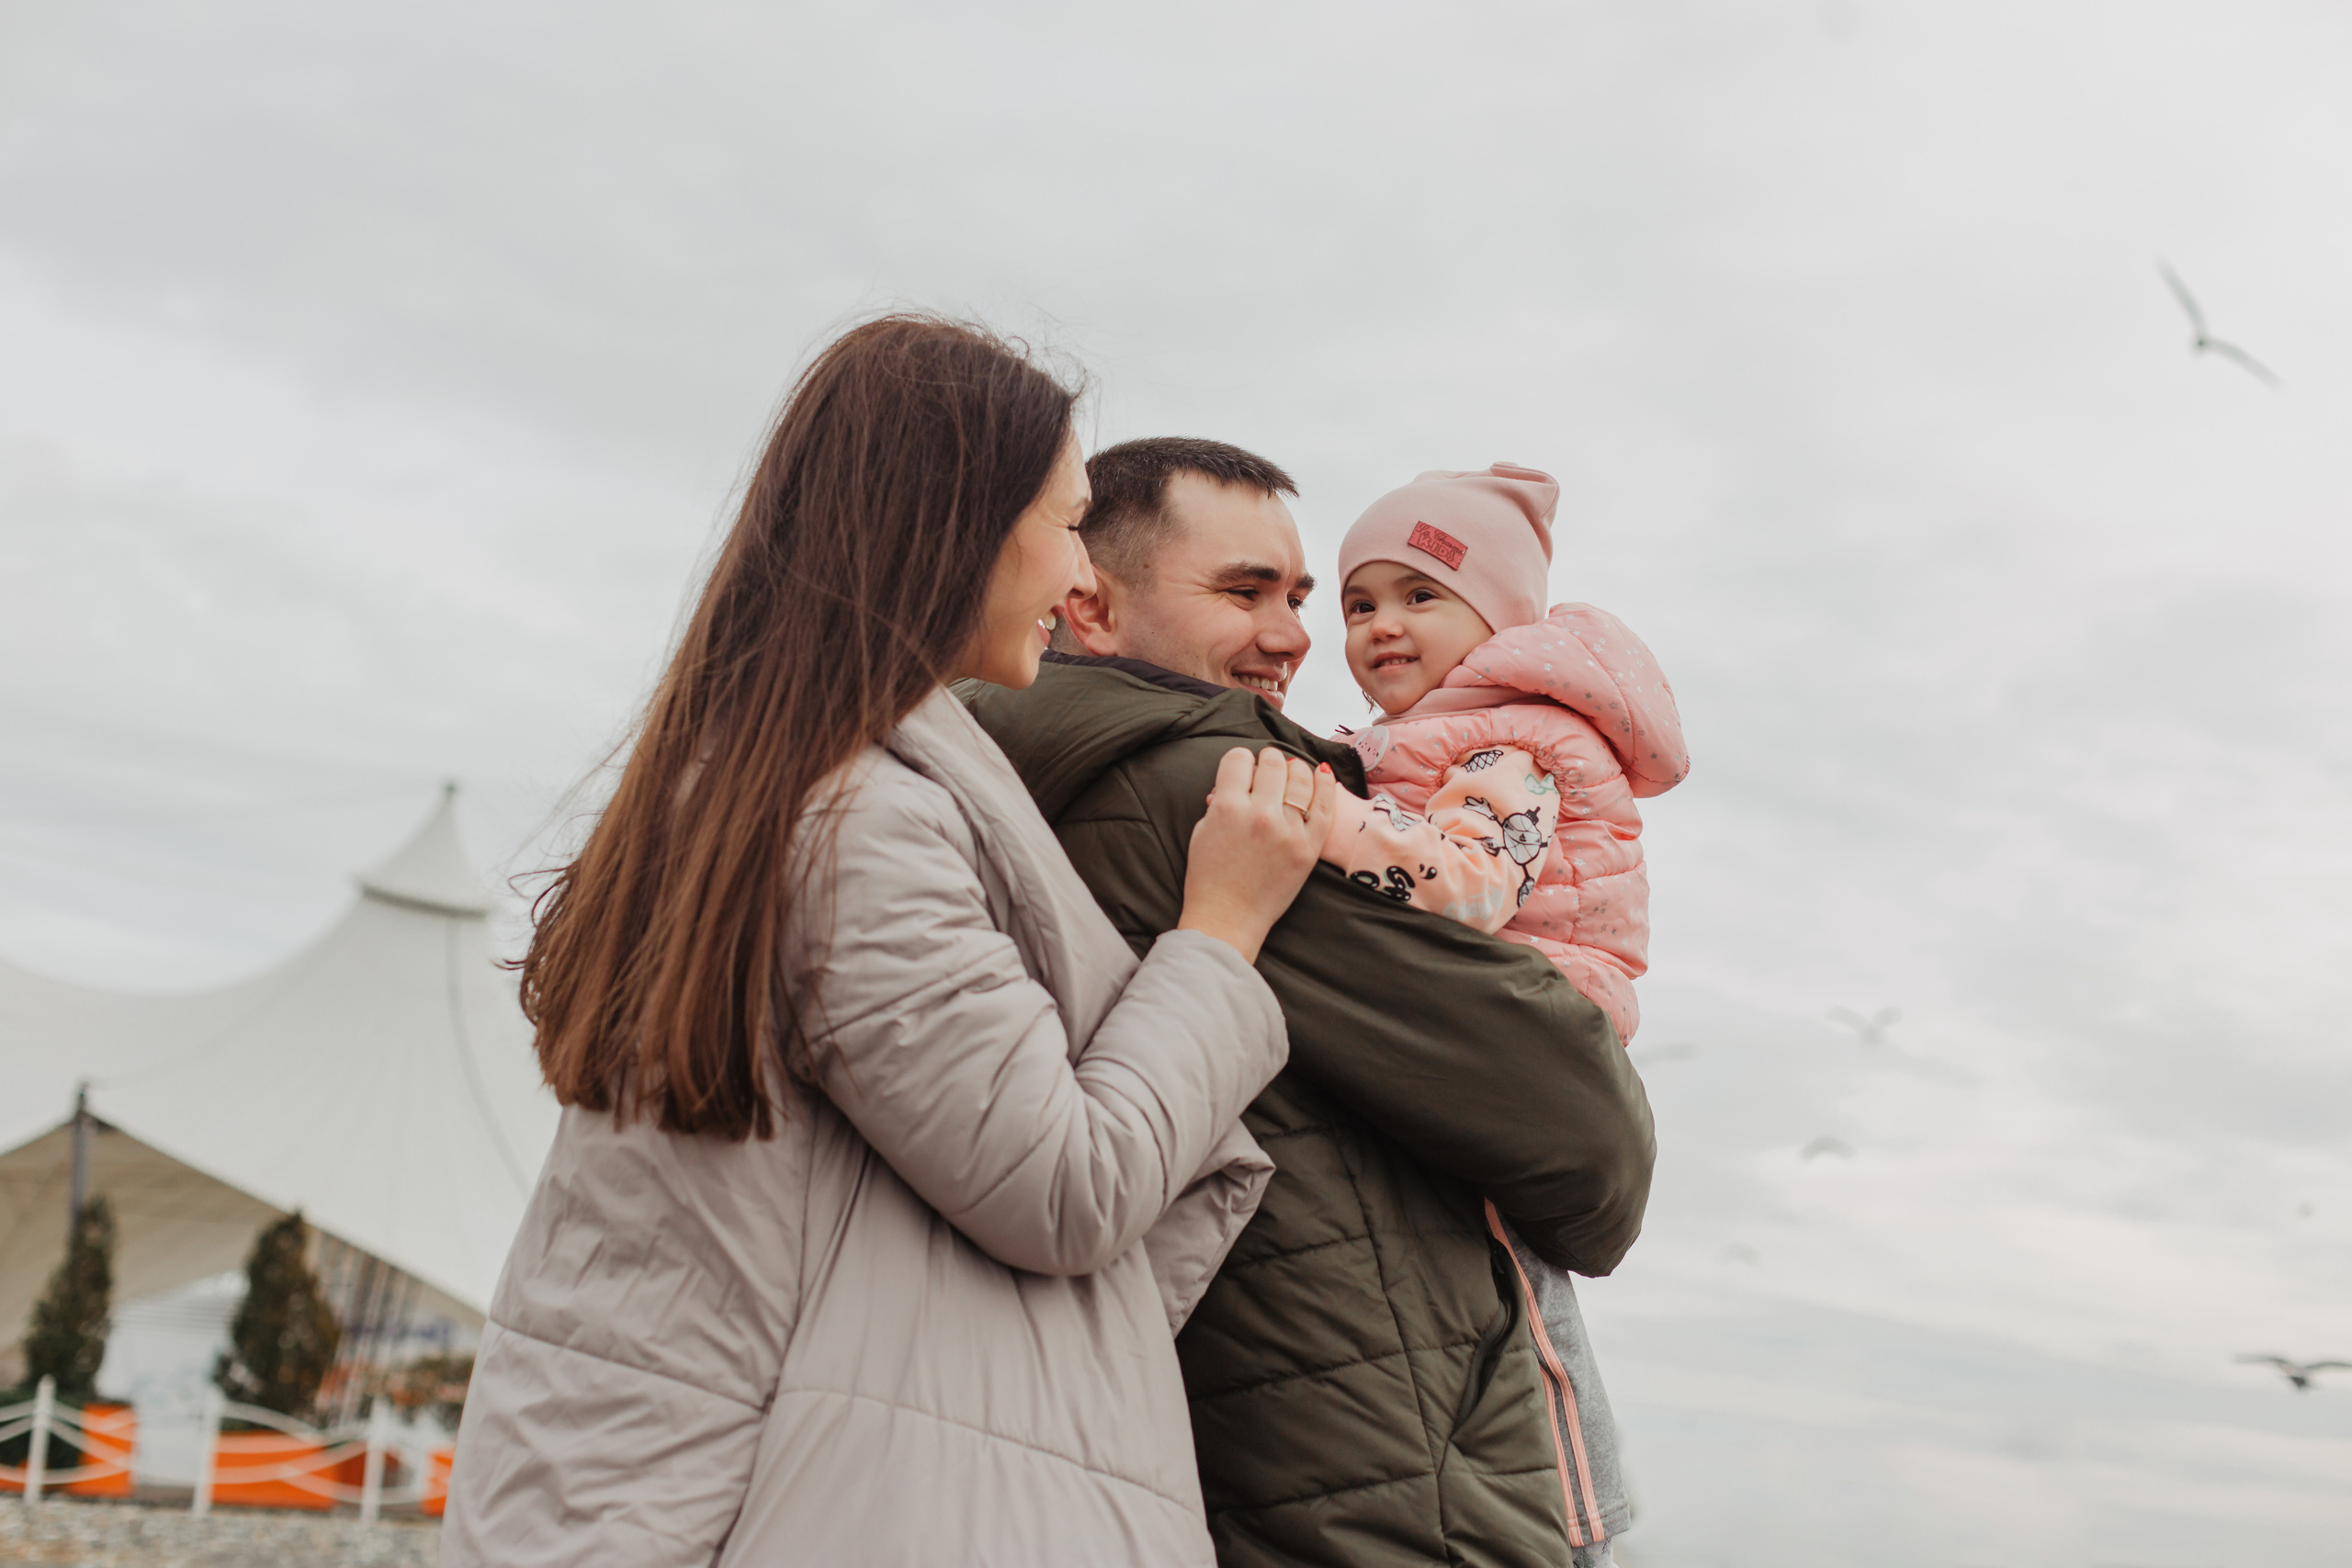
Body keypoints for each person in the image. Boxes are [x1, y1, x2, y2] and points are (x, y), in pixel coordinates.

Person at [443, 320, 1340, 1568]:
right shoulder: (856, 817)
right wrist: (1221, 931)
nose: (1081, 573)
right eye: (1067, 520)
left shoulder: (779, 784)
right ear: (955, 526)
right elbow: (1065, 1185)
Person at [966, 437, 1656, 1568]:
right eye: (1246, 593)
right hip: (1384, 1463)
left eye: (1297, 597)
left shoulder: (990, 787)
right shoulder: (1231, 791)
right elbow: (1591, 1145)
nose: (1297, 636)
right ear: (1087, 603)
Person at [1321, 462, 1690, 1050]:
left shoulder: (1513, 748)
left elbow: (1473, 888)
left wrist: (1317, 811)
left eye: (1419, 596)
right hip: (1469, 1000)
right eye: (1360, 607)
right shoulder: (1439, 733)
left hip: (1526, 1020)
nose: (1382, 625)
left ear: (1498, 620)